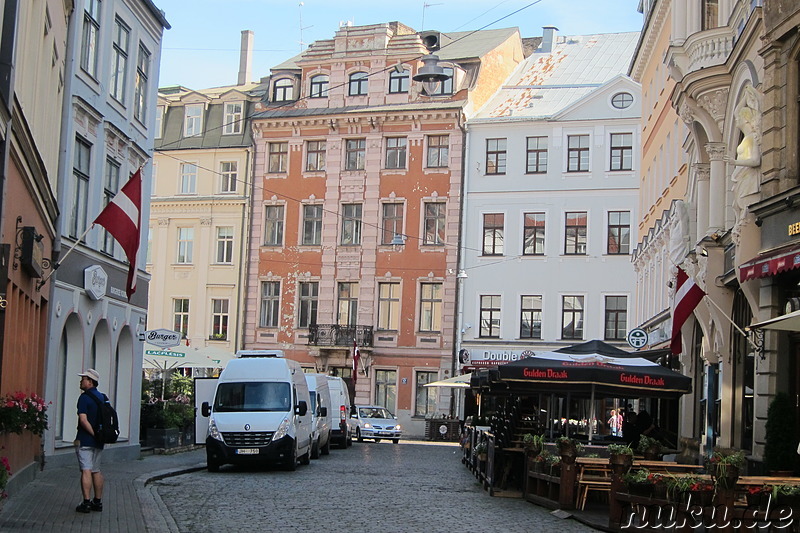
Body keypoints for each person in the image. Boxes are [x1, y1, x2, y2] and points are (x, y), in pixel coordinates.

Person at [75, 369, 105, 513]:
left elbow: (83, 419)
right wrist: (99, 436)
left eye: (83, 379)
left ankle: (86, 502)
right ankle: (97, 502)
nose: (81, 381)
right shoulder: (103, 398)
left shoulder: (84, 398)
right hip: (99, 441)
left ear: (90, 382)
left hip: (86, 440)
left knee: (86, 470)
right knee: (96, 470)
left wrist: (92, 434)